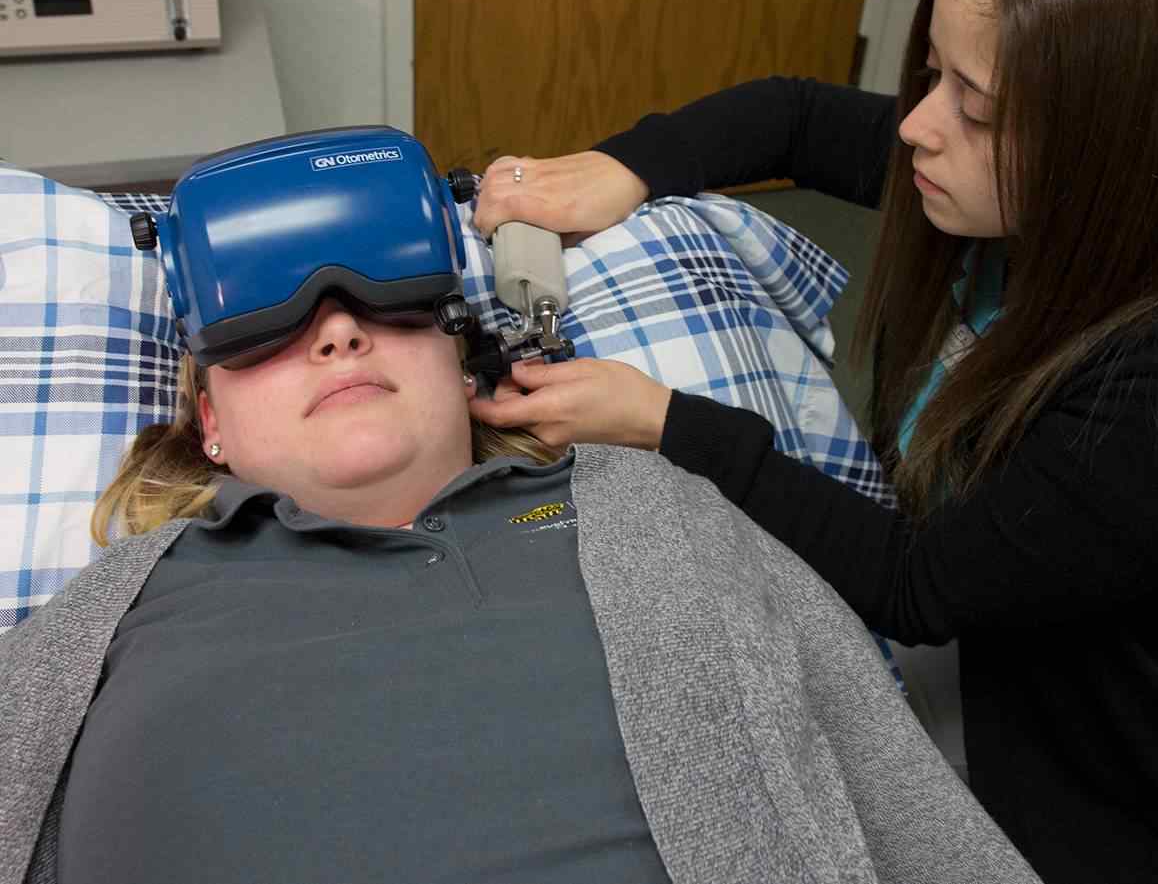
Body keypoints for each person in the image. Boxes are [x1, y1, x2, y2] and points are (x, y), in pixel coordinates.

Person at [468, 0, 1158, 884]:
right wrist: (622, 166)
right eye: (931, 73)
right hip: (1001, 660)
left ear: (1120, 148)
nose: (917, 126)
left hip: (1148, 802)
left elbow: (918, 584)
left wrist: (669, 421)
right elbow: (791, 116)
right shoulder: (1001, 191)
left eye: (973, 106)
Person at [0, 295, 1041, 884]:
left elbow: (882, 774)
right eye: (263, 329)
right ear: (208, 426)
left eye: (386, 303)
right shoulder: (116, 607)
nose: (338, 332)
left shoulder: (654, 509)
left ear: (464, 368)